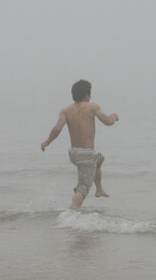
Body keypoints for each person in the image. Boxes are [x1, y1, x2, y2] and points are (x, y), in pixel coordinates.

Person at [41, 80, 119, 208]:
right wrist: (114, 116)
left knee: (99, 159)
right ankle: (71, 213)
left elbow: (57, 129)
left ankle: (99, 189)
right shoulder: (92, 107)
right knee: (83, 188)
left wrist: (47, 142)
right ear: (87, 95)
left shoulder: (65, 110)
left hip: (74, 154)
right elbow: (108, 122)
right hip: (86, 155)